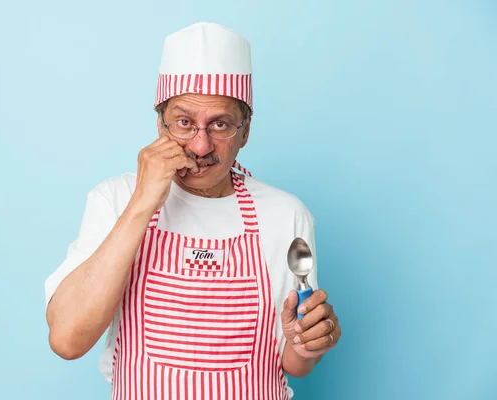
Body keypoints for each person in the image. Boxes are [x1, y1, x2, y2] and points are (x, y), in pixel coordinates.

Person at [44, 22, 341, 399]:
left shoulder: (286, 215)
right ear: (160, 125)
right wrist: (143, 200)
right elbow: (67, 340)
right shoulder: (116, 199)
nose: (201, 146)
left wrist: (307, 343)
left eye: (220, 125)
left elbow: (293, 365)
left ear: (245, 131)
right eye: (184, 123)